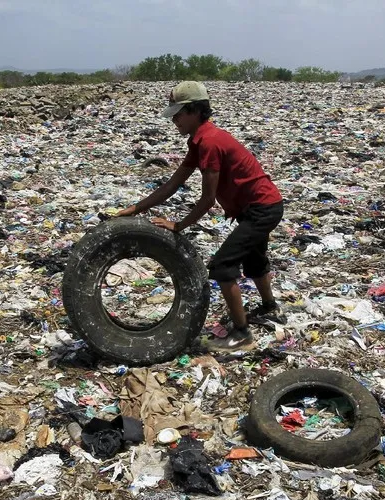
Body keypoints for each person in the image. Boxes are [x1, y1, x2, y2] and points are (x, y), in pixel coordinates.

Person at [115, 81, 285, 352]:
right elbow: (173, 184)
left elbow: (207, 199)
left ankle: (241, 335)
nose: (174, 120)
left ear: (195, 110)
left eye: (178, 114)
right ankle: (269, 308)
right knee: (254, 259)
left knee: (221, 266)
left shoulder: (210, 142)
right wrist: (136, 208)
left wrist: (179, 225)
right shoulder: (199, 140)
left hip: (262, 208)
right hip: (258, 207)